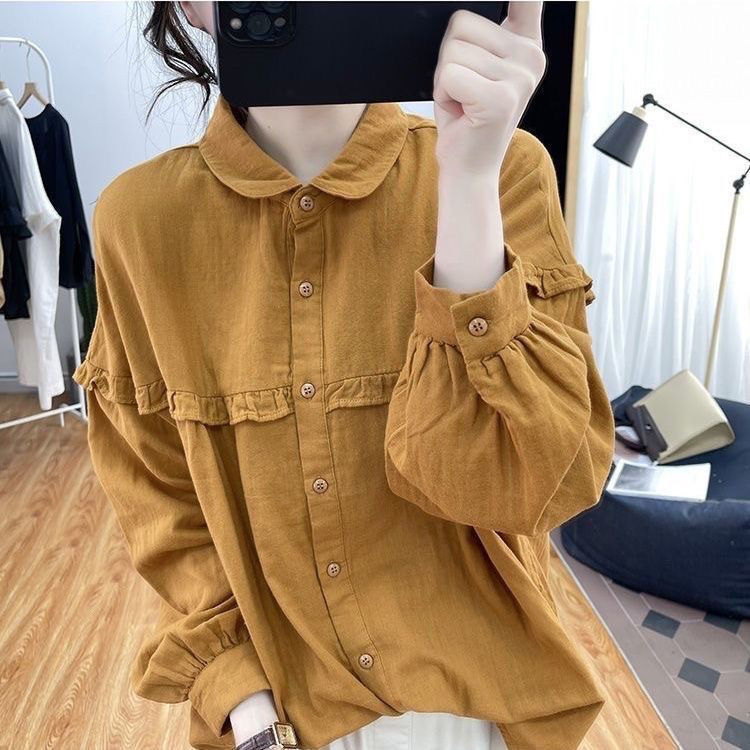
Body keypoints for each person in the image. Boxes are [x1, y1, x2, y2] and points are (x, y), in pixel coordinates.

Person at [73, 2, 615, 749]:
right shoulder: (138, 222)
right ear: (190, 7)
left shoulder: (506, 172)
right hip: (280, 717)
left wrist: (466, 183)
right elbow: (161, 499)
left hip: (473, 713)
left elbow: (533, 487)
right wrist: (244, 703)